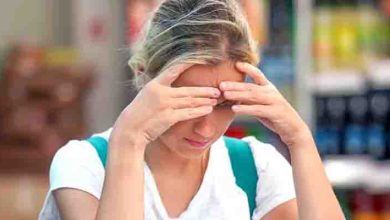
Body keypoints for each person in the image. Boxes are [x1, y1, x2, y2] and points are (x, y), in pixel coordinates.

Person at [39, 0, 344, 219]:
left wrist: (300, 140)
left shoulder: (254, 168)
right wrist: (129, 138)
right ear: (144, 75)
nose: (205, 128)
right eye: (187, 102)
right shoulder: (85, 165)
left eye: (224, 104)